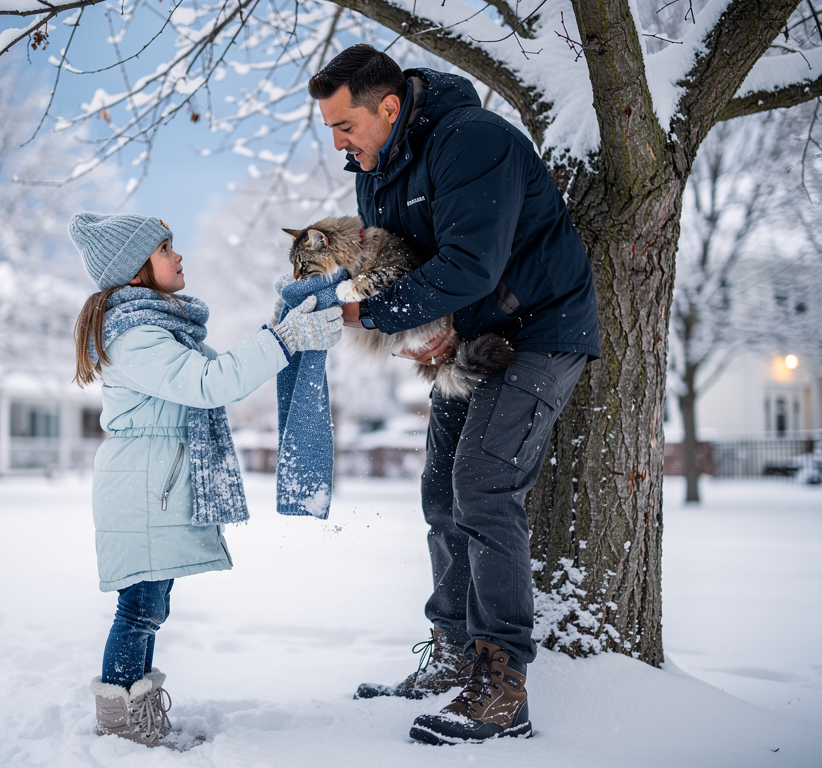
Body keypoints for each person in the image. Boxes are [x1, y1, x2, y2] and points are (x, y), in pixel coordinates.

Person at [307, 45, 601, 745]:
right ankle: (454, 653)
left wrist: (363, 316)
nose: (339, 143)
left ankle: (503, 685)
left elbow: (471, 263)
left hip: (539, 330)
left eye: (345, 125)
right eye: (330, 130)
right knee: (440, 496)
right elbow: (407, 263)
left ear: (388, 106)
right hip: (472, 339)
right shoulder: (375, 170)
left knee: (482, 488)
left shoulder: (474, 142)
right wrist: (428, 328)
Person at [69, 212, 342, 747]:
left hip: (154, 484)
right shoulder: (137, 336)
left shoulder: (157, 328)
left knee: (149, 606)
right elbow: (211, 383)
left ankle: (136, 715)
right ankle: (123, 725)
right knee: (140, 607)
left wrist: (281, 330)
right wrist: (285, 340)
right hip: (145, 489)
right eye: (165, 249)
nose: (178, 256)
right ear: (135, 273)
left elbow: (232, 369)